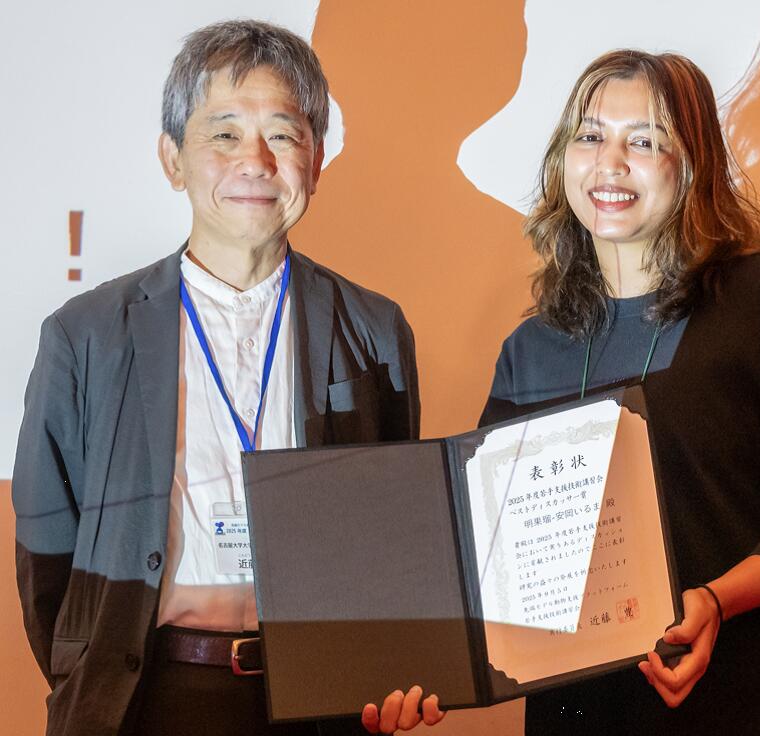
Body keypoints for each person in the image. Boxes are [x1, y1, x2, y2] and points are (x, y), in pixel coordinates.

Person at [480, 49, 760, 735]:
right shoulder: (532, 349)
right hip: (597, 709)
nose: (610, 164)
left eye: (644, 142)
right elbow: (492, 553)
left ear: (693, 166)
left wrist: (716, 601)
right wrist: (427, 664)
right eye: (590, 136)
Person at [12, 20, 440, 736]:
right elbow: (46, 552)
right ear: (173, 159)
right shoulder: (84, 335)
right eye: (224, 134)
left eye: (283, 134)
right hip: (143, 700)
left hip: (320, 702)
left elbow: (389, 537)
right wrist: (85, 672)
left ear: (316, 161)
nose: (255, 161)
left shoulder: (374, 328)